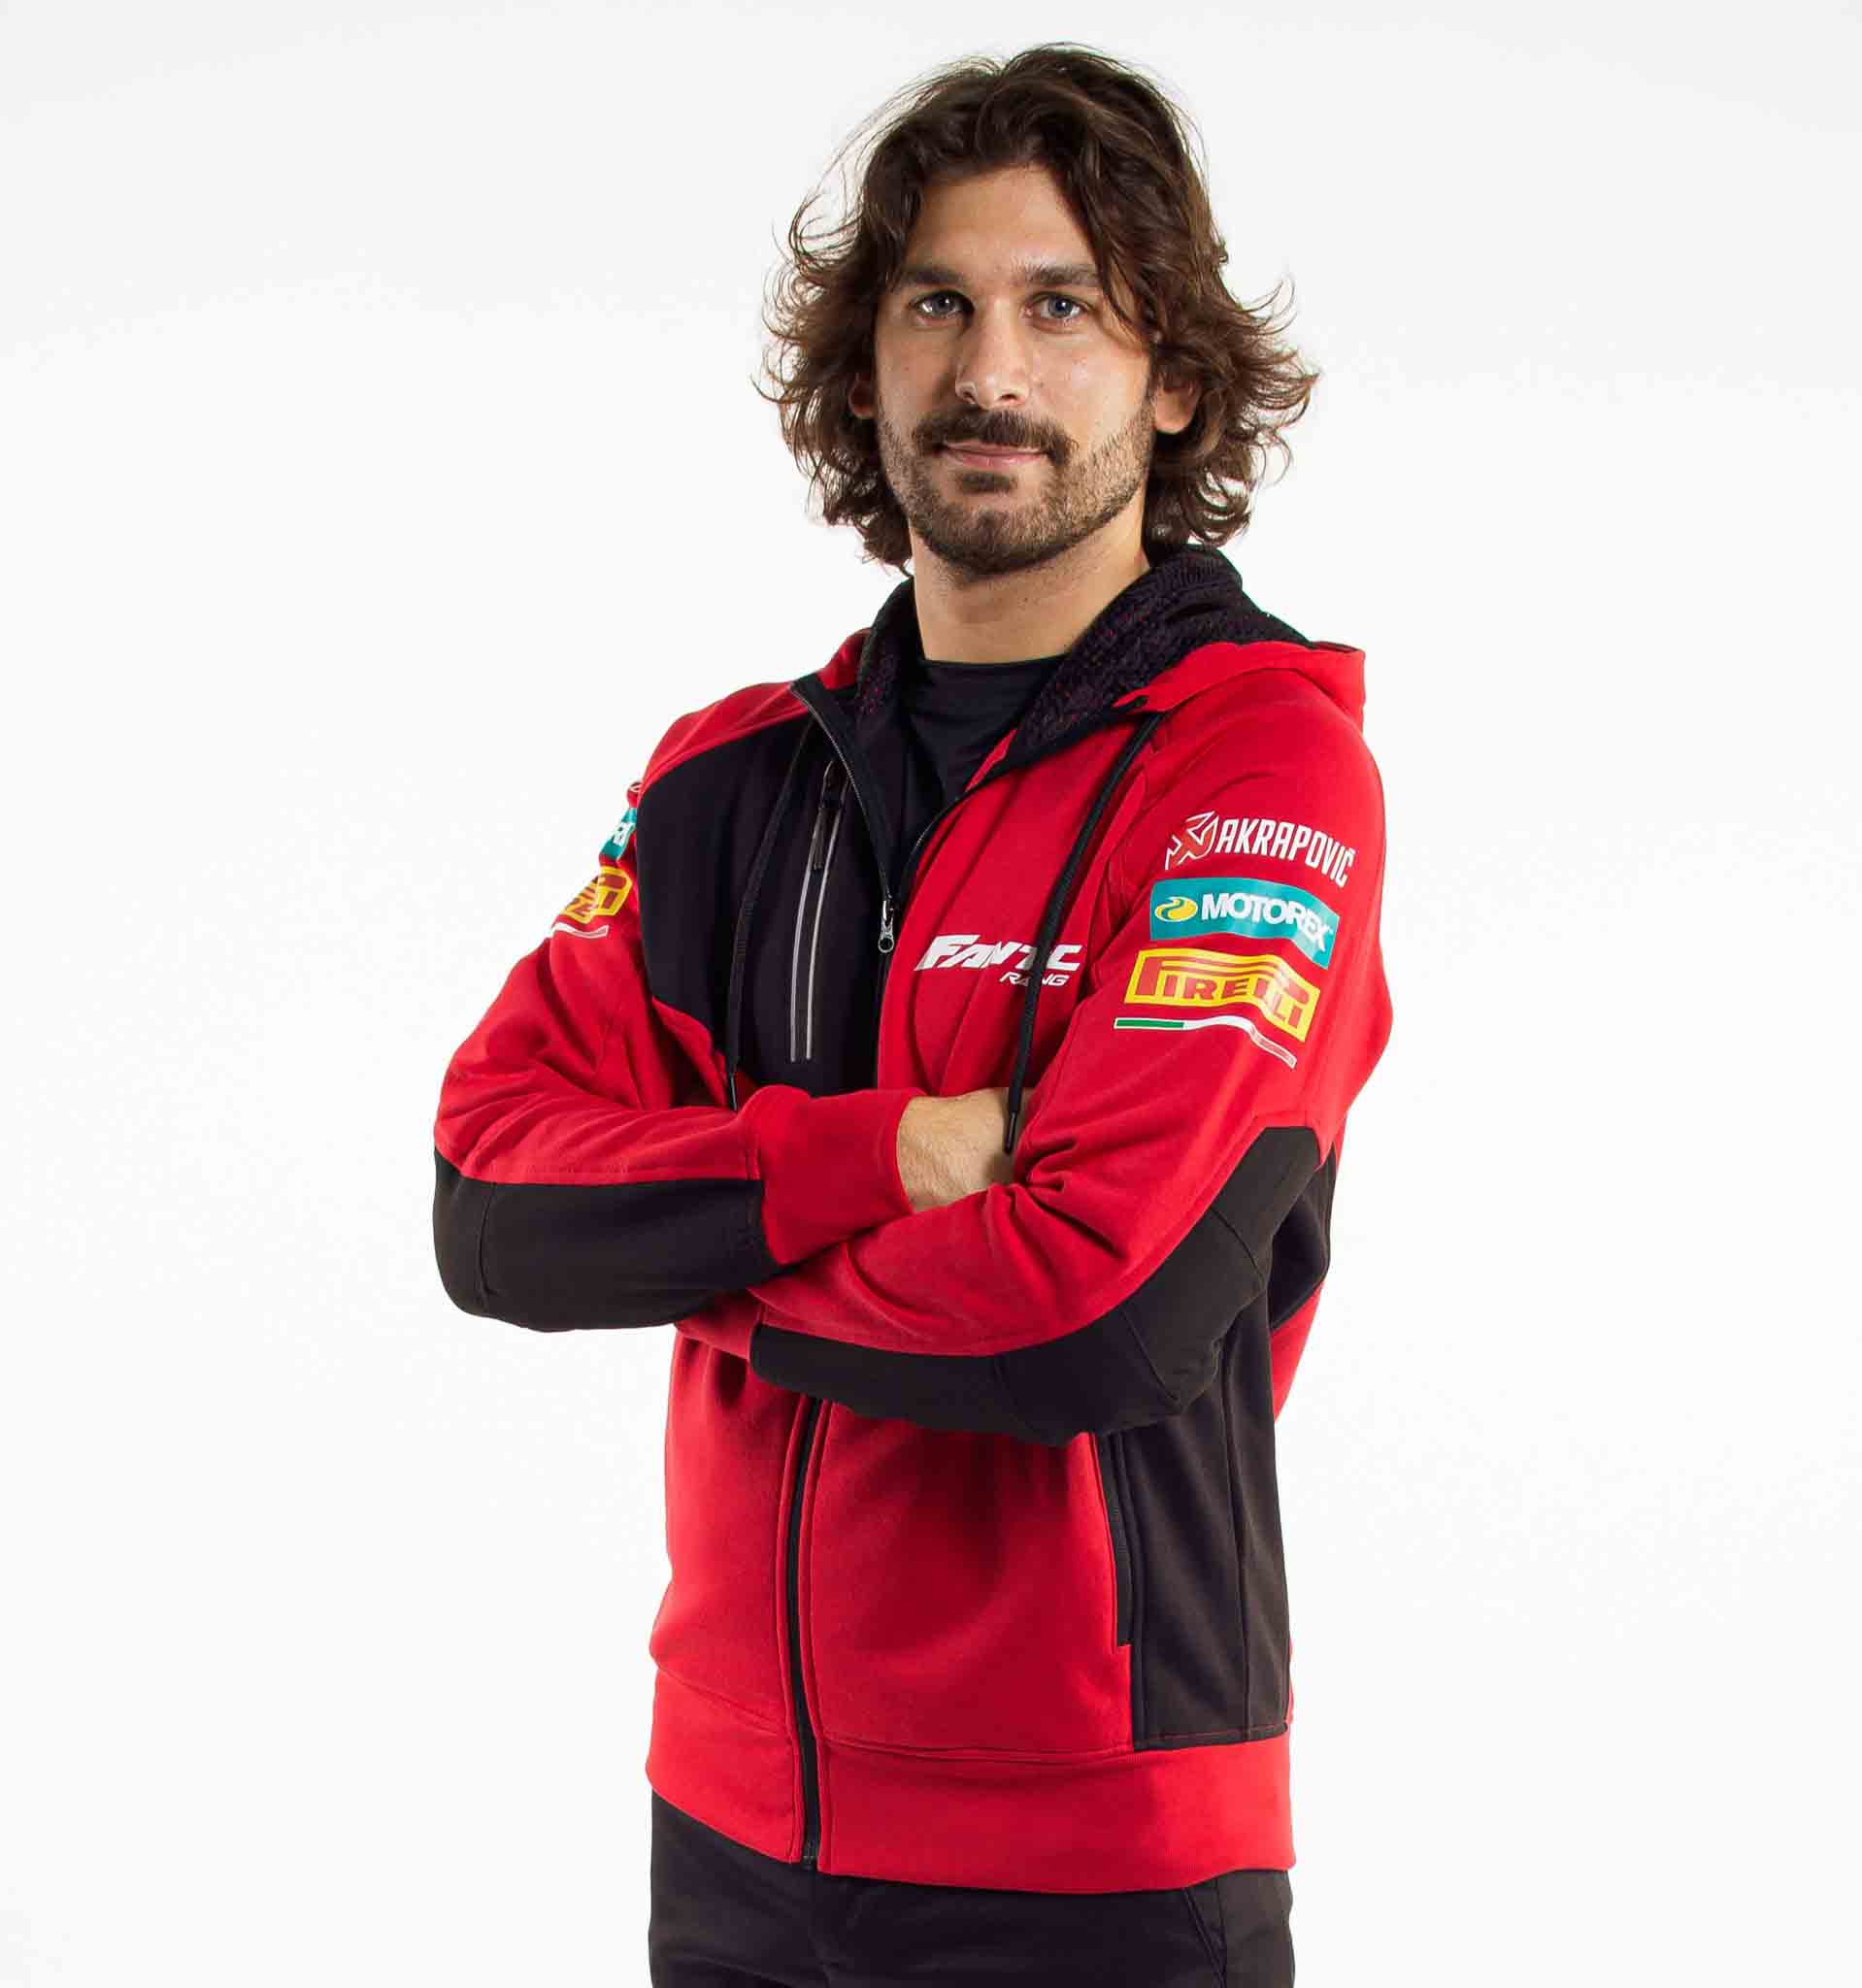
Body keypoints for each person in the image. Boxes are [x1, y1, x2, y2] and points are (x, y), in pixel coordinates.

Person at [431, 41, 1392, 1988]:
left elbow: (1098, 1313)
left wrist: (691, 1251)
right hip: (728, 1828)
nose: (990, 373)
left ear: (1174, 379)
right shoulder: (725, 781)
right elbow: (494, 1209)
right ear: (862, 370)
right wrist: (879, 1158)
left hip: (1099, 1856)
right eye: (936, 306)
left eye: (1064, 309)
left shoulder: (1258, 772)